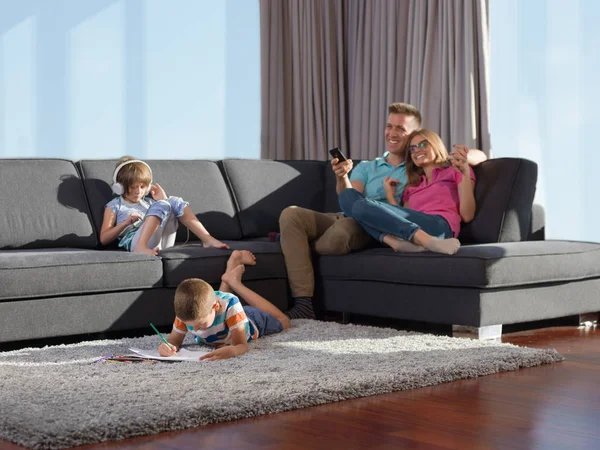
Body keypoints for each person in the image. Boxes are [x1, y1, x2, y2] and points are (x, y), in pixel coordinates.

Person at [279, 103, 486, 319]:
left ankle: (293, 247)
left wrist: (461, 159)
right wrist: (343, 177)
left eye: (401, 129)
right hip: (357, 214)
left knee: (343, 229)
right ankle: (302, 291)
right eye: (390, 126)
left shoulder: (420, 172)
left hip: (367, 225)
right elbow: (350, 200)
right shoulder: (397, 176)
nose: (393, 133)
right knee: (292, 214)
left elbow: (476, 160)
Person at [338, 129, 476, 255]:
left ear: (436, 145)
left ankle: (427, 241)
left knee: (361, 206)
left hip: (439, 226)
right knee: (346, 196)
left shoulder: (455, 170)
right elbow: (398, 219)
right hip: (410, 228)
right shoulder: (413, 186)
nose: (417, 150)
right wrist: (389, 195)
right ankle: (396, 242)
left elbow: (467, 215)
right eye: (412, 148)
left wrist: (464, 172)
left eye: (423, 145)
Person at [157, 250, 291, 361]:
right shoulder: (186, 310)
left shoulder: (231, 304)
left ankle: (236, 283)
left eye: (200, 324)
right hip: (223, 312)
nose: (196, 330)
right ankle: (229, 275)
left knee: (284, 322)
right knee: (220, 302)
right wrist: (168, 346)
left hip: (252, 321)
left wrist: (233, 350)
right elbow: (174, 340)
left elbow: (241, 345)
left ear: (215, 307)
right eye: (191, 325)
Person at [100, 156, 229, 255]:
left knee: (173, 201)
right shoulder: (115, 205)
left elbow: (165, 209)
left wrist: (164, 200)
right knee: (162, 204)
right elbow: (104, 239)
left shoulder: (149, 203)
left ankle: (207, 239)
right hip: (135, 243)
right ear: (120, 187)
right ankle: (141, 247)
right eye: (133, 187)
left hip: (161, 243)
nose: (138, 191)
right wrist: (125, 223)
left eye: (142, 186)